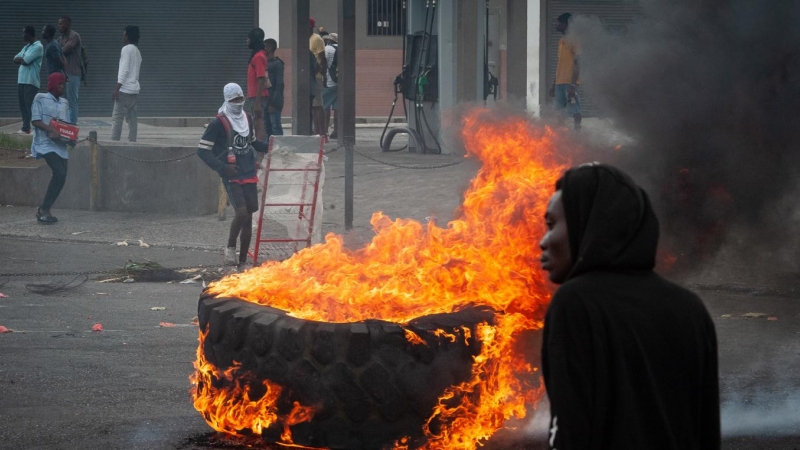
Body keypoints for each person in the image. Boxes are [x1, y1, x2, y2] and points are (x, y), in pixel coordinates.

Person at [539, 163, 720, 450]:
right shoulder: (690, 307)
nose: (542, 242)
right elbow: (707, 428)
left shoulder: (575, 302)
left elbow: (571, 429)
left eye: (551, 225)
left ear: (589, 226)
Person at [197, 83, 269, 268]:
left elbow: (251, 141)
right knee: (241, 212)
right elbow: (203, 151)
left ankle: (243, 260)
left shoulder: (247, 118)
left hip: (249, 171)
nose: (238, 103)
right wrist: (222, 168)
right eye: (233, 100)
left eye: (240, 99)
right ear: (227, 101)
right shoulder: (218, 123)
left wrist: (273, 146)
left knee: (250, 213)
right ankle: (230, 248)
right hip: (232, 174)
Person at [31, 73, 71, 224]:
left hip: (60, 145)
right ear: (53, 85)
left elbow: (66, 126)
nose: (63, 87)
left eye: (64, 85)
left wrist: (71, 138)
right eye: (60, 84)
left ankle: (45, 208)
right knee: (59, 172)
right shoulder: (40, 98)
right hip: (45, 144)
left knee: (62, 176)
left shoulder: (65, 103)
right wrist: (51, 130)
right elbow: (35, 120)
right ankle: (44, 209)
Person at [548, 13, 581, 130]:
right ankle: (559, 135)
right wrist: (553, 84)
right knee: (558, 112)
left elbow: (578, 62)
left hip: (569, 83)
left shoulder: (575, 40)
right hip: (559, 83)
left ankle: (577, 133)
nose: (556, 24)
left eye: (558, 22)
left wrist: (573, 84)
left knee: (574, 110)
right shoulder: (561, 41)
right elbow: (559, 64)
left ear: (566, 24)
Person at [111, 26, 142, 142]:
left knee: (117, 119)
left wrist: (117, 88)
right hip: (134, 91)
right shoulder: (137, 51)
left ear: (128, 36)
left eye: (124, 35)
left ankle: (113, 144)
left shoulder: (126, 49)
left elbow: (124, 70)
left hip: (125, 91)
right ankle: (132, 143)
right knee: (132, 120)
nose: (123, 37)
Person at [14, 26, 43, 135]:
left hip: (31, 81)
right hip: (21, 80)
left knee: (30, 105)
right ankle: (25, 128)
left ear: (29, 34)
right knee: (23, 105)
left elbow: (25, 61)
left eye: (24, 33)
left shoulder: (38, 46)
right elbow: (15, 58)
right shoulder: (26, 47)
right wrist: (21, 58)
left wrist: (22, 58)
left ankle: (34, 128)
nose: (22, 36)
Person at [58, 16, 83, 124]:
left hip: (73, 73)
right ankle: (66, 124)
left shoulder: (75, 36)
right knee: (64, 101)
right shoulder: (60, 38)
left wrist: (57, 52)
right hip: (63, 74)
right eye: (58, 24)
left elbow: (67, 49)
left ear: (67, 24)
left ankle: (72, 126)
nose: (59, 26)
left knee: (72, 102)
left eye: (61, 24)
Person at [246, 28, 269, 141]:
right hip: (254, 96)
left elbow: (261, 79)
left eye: (249, 38)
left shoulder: (259, 56)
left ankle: (260, 153)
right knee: (257, 122)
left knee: (259, 123)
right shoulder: (257, 55)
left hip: (257, 96)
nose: (247, 41)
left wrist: (257, 102)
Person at [309, 17, 328, 138]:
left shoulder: (317, 39)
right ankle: (316, 132)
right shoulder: (305, 39)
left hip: (316, 76)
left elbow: (323, 59)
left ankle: (322, 133)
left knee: (318, 105)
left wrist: (323, 75)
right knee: (312, 106)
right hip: (308, 76)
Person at [264, 38, 284, 140]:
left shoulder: (277, 64)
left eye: (265, 46)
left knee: (276, 128)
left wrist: (274, 103)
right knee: (268, 129)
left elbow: (279, 84)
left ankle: (279, 150)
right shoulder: (265, 63)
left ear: (270, 48)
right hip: (267, 100)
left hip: (274, 101)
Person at [322, 33, 339, 140]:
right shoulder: (341, 48)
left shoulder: (327, 48)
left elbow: (323, 63)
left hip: (328, 82)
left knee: (325, 107)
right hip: (339, 81)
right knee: (337, 109)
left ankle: (324, 131)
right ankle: (336, 131)